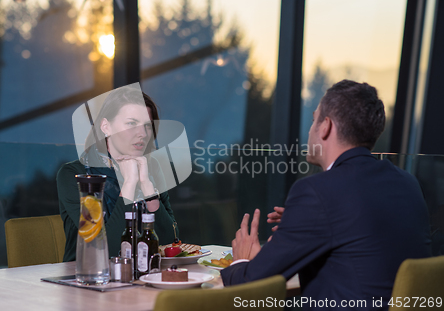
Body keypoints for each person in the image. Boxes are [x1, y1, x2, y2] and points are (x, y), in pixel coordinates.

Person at [222, 80, 431, 310]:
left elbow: (250, 285)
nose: (310, 130)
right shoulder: (408, 183)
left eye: (314, 120)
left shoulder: (317, 192)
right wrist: (305, 220)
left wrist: (240, 260)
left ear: (326, 127)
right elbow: (365, 239)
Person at [57, 88, 178, 261]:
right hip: (90, 279)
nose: (142, 134)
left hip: (144, 275)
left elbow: (169, 243)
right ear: (106, 127)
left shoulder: (150, 168)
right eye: (131, 123)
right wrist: (129, 184)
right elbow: (105, 251)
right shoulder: (75, 175)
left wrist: (146, 185)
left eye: (147, 126)